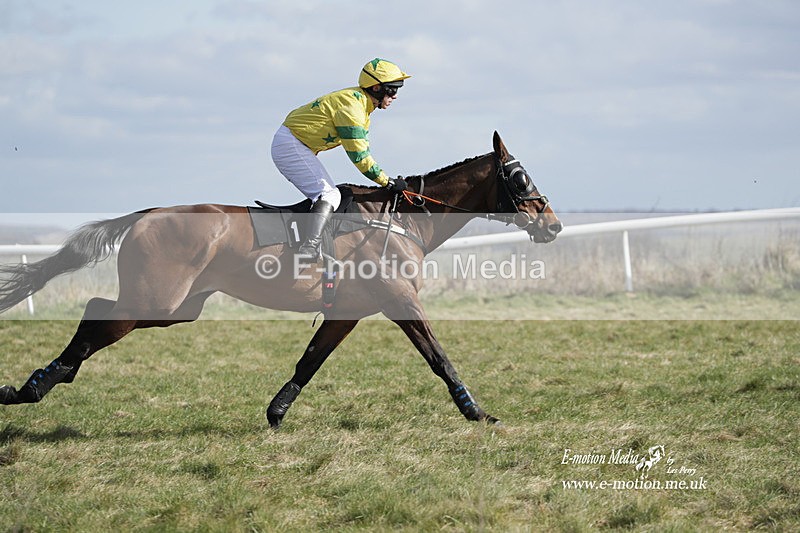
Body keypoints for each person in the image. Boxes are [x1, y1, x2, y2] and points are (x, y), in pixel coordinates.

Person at [271, 58, 410, 260]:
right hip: (290, 145)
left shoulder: (360, 103)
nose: (395, 96)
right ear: (377, 88)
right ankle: (310, 248)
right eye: (392, 90)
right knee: (329, 195)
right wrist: (387, 182)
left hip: (296, 144)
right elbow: (360, 157)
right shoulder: (353, 109)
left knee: (328, 195)